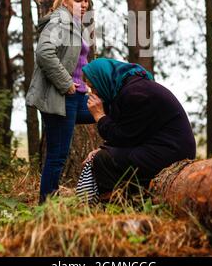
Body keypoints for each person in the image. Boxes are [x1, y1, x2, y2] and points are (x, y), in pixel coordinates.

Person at [80, 58, 196, 199]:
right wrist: (104, 147)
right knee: (104, 156)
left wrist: (100, 116)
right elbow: (131, 132)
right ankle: (133, 198)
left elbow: (124, 137)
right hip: (160, 147)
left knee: (103, 160)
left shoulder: (136, 93)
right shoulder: (126, 90)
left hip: (172, 152)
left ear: (104, 79)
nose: (93, 93)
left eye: (94, 87)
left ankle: (117, 205)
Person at [26, 0, 95, 203]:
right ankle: (46, 206)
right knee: (57, 156)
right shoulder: (59, 22)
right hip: (60, 97)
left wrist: (87, 84)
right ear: (65, 1)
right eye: (78, 0)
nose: (83, 4)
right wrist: (66, 83)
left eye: (86, 0)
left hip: (75, 96)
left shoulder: (75, 23)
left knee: (107, 113)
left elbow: (76, 61)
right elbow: (45, 54)